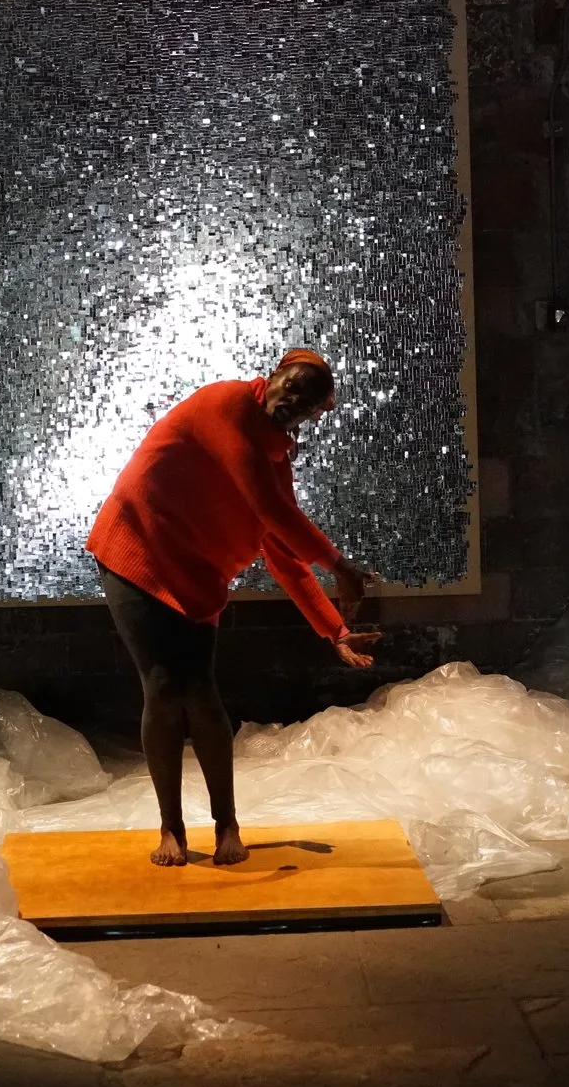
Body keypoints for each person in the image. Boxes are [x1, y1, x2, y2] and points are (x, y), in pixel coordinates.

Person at [86, 348, 381, 866]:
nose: (293, 400)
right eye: (291, 385)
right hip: (136, 548)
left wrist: (335, 630)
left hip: (197, 574)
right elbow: (271, 510)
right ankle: (171, 828)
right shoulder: (226, 406)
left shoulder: (275, 465)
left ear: (315, 415)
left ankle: (226, 824)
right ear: (274, 375)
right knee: (163, 686)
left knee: (200, 692)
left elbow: (284, 554)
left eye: (307, 401)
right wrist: (341, 565)